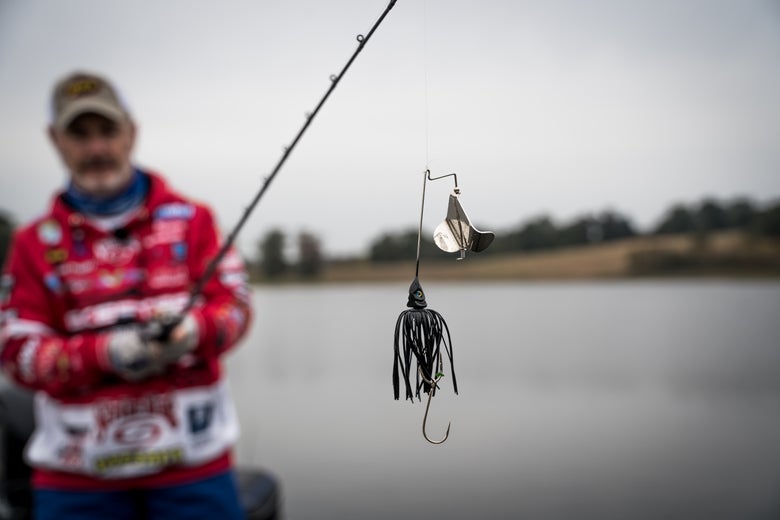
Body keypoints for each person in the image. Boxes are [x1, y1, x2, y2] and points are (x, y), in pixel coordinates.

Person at [0, 71, 253, 519]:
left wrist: (194, 330)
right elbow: (16, 350)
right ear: (55, 140)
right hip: (75, 481)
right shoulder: (32, 243)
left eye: (107, 131)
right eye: (79, 135)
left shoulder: (194, 220)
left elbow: (236, 308)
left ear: (131, 133)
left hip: (194, 470)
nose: (96, 148)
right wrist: (107, 353)